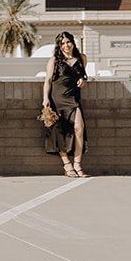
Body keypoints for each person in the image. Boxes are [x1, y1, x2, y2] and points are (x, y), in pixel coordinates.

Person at [42, 31, 89, 178]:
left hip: (73, 98)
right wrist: (45, 98)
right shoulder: (54, 60)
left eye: (68, 42)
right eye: (62, 43)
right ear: (59, 45)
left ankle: (77, 164)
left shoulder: (82, 58)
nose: (65, 45)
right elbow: (48, 80)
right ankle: (67, 165)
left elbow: (83, 74)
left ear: (73, 43)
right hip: (57, 98)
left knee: (79, 128)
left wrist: (83, 79)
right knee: (59, 131)